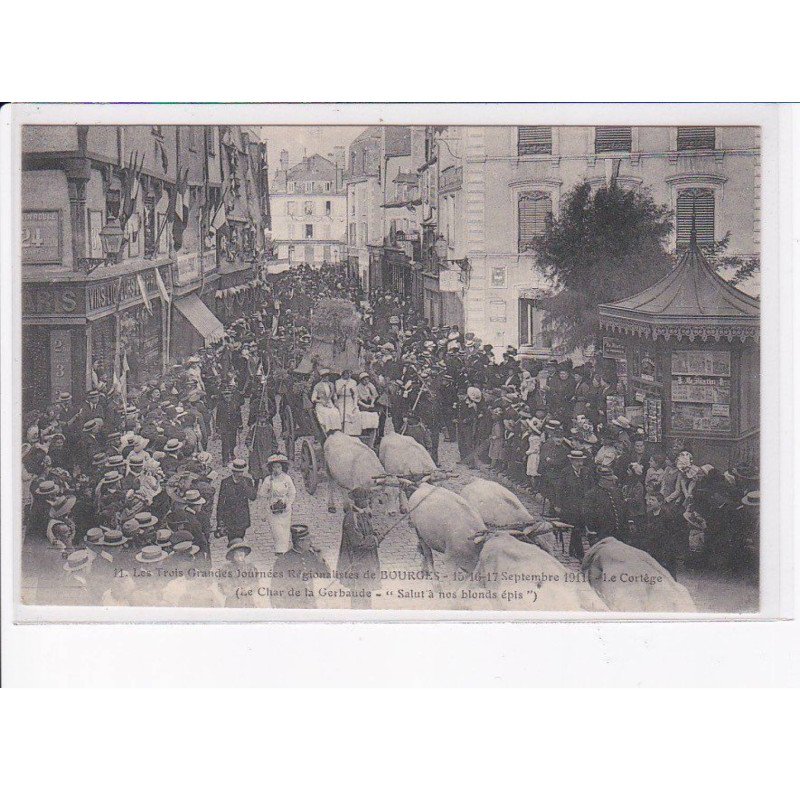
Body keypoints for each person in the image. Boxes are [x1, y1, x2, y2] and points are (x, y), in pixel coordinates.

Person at [337, 488, 380, 609]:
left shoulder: (362, 513)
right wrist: (374, 540)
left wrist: (375, 533)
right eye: (366, 499)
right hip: (356, 562)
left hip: (366, 561)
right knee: (358, 593)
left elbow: (367, 532)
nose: (368, 501)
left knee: (366, 591)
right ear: (359, 501)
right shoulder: (351, 517)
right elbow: (358, 542)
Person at [271, 524, 330, 609]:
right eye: (308, 540)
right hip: (292, 606)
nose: (311, 543)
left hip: (310, 604)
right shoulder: (283, 560)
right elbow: (275, 587)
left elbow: (326, 575)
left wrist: (320, 558)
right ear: (300, 543)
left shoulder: (311, 555)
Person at [258, 453, 296, 554]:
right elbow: (262, 495)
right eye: (274, 467)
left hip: (285, 508)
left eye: (278, 467)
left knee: (285, 530)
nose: (276, 469)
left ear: (282, 467)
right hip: (272, 508)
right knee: (277, 531)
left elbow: (292, 493)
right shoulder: (268, 480)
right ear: (271, 468)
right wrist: (263, 511)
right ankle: (279, 551)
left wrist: (288, 504)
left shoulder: (287, 479)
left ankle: (284, 550)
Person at [216, 458, 257, 545]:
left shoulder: (247, 481)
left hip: (242, 518)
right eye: (237, 472)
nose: (239, 474)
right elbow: (220, 503)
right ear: (233, 471)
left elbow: (253, 497)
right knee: (232, 542)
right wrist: (219, 521)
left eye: (241, 472)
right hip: (229, 518)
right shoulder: (226, 482)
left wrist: (245, 486)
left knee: (240, 541)